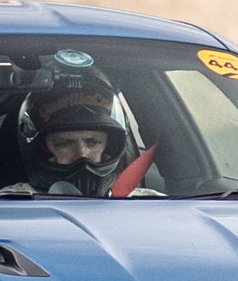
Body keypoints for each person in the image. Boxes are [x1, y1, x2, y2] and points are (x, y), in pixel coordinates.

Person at [18, 78, 154, 197]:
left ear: (109, 147)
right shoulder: (14, 204)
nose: (82, 154)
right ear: (43, 150)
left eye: (93, 142)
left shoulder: (149, 206)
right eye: (64, 144)